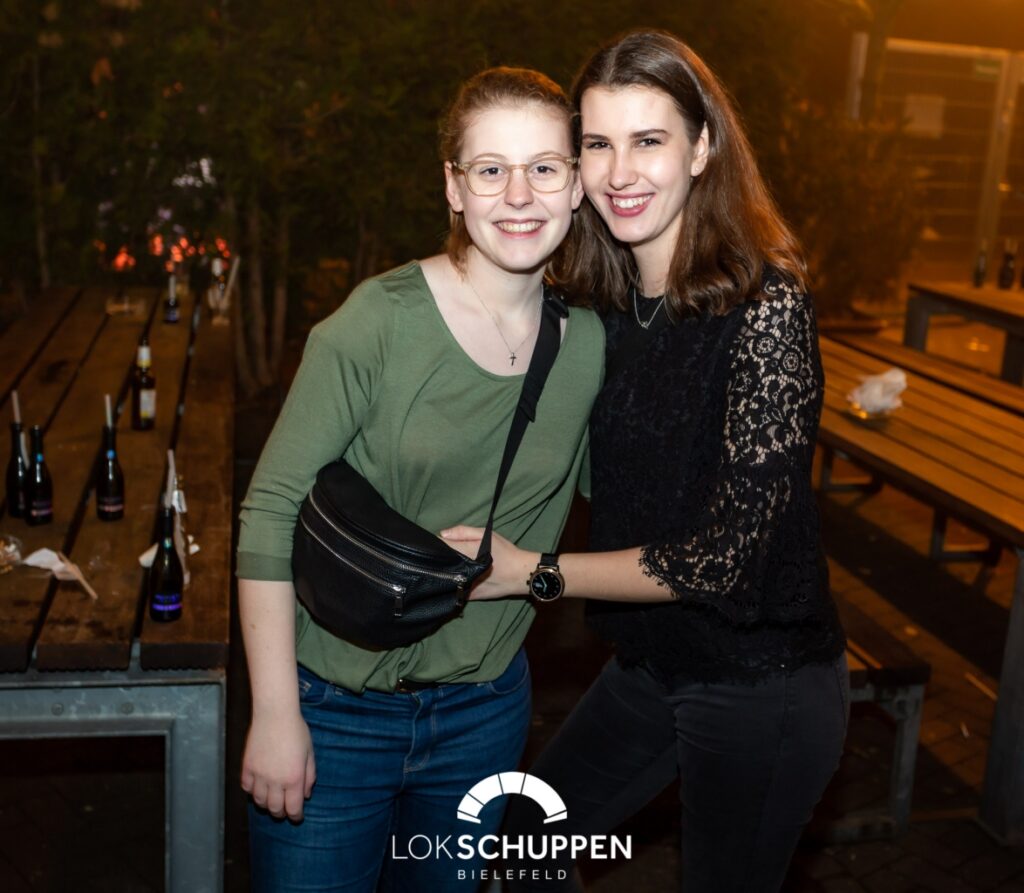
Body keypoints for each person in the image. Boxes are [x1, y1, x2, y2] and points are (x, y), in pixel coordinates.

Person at [441, 31, 848, 892]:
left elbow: (724, 557)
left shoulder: (766, 306)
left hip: (760, 680)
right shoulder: (607, 304)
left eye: (649, 140)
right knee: (521, 849)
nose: (620, 172)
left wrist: (534, 572)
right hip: (652, 665)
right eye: (598, 143)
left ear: (701, 148)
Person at [236, 66, 604, 892]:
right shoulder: (380, 320)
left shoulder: (588, 346)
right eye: (490, 168)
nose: (519, 194)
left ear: (578, 185)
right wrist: (275, 712)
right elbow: (269, 512)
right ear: (453, 186)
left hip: (483, 716)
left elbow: (628, 500)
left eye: (545, 167)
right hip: (335, 710)